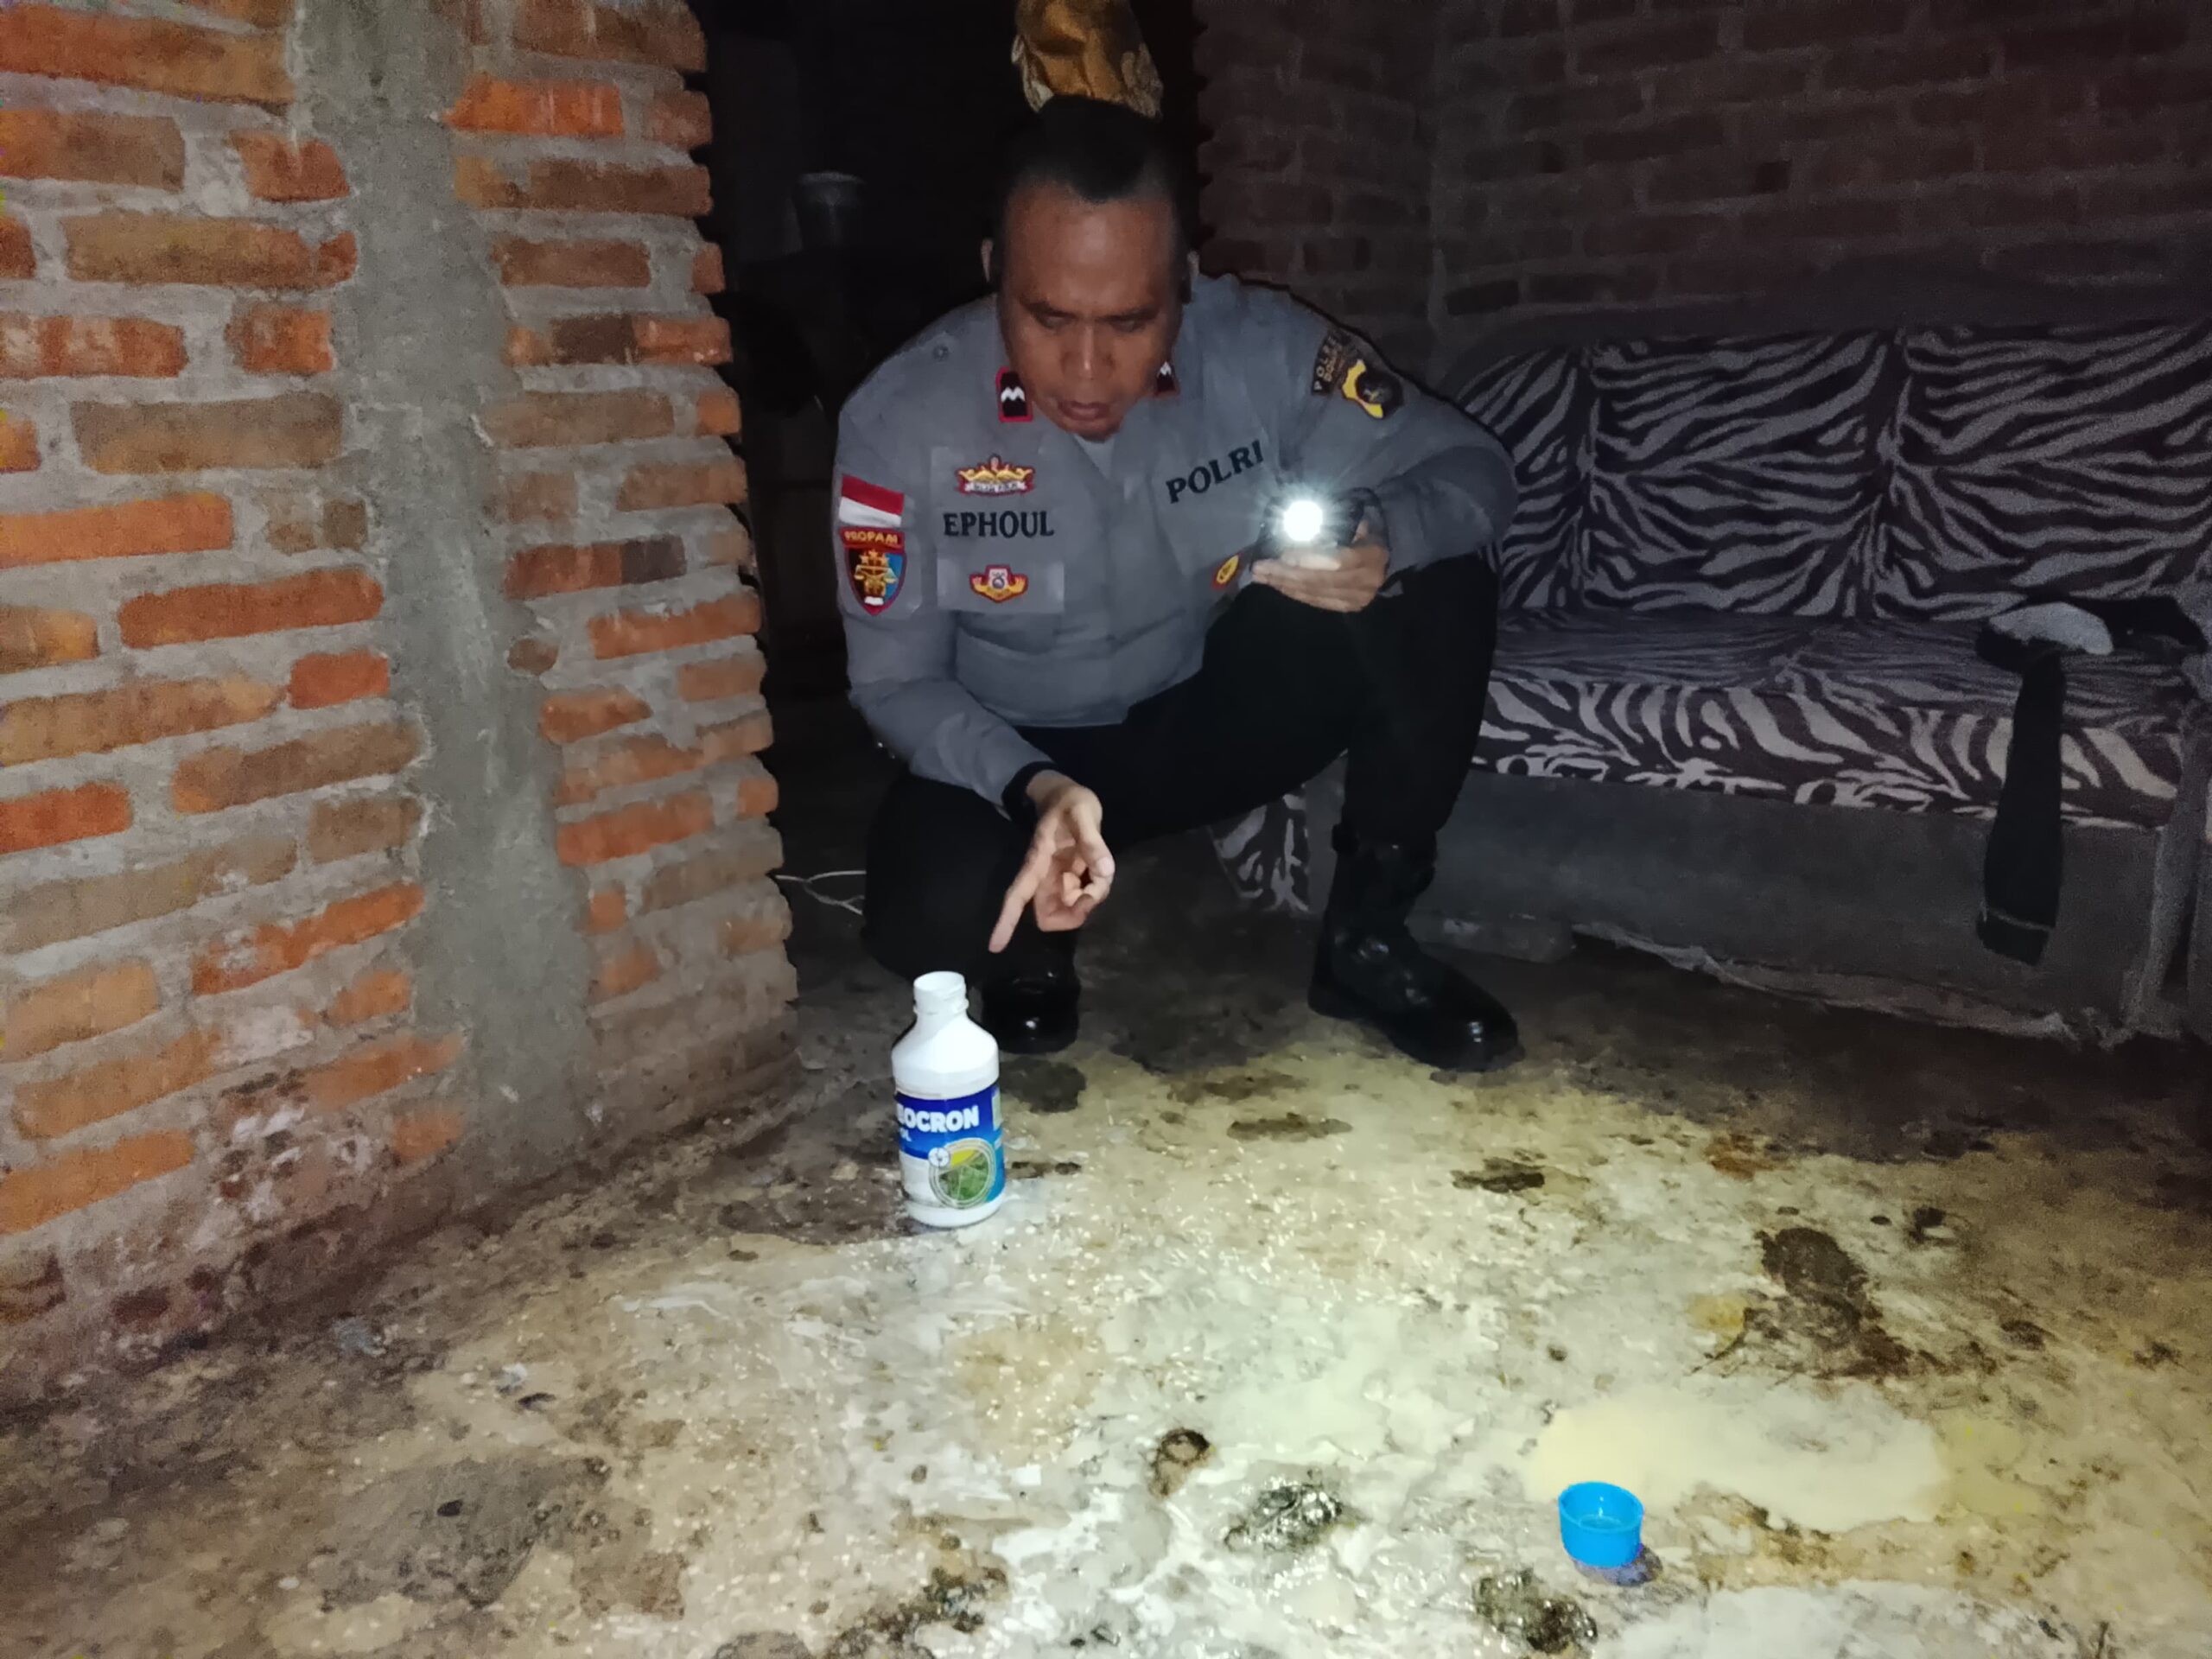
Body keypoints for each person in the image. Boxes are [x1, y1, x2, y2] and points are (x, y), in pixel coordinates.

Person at [830, 96, 1522, 1070]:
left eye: (1129, 320)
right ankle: (1037, 944)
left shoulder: (1260, 350)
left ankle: (1368, 941)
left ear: (1184, 286)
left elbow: (1477, 470)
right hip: (1015, 757)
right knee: (927, 922)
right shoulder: (901, 418)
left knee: (1434, 572)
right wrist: (1035, 787)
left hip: (1196, 713)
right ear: (994, 272)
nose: (1085, 369)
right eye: (1046, 317)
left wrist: (1387, 537)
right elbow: (893, 681)